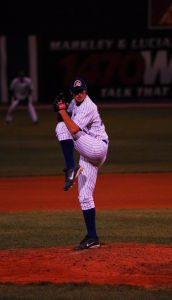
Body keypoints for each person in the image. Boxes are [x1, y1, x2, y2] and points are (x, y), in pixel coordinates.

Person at [54, 76, 109, 251]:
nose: (80, 94)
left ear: (86, 90)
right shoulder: (73, 103)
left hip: (96, 147)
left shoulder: (88, 105)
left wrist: (62, 111)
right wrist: (59, 108)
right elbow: (62, 115)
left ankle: (71, 167)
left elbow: (71, 128)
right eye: (76, 92)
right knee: (84, 196)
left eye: (82, 91)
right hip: (88, 151)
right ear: (72, 92)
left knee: (62, 128)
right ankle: (93, 237)